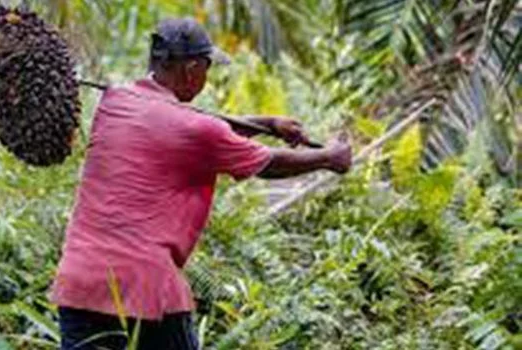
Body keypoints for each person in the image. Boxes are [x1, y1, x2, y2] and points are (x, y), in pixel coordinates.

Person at [50, 17, 352, 350]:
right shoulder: (197, 130)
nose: (207, 78)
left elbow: (194, 127)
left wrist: (267, 123)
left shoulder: (116, 101)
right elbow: (266, 163)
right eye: (207, 69)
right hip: (144, 286)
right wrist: (329, 157)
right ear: (192, 69)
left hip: (80, 279)